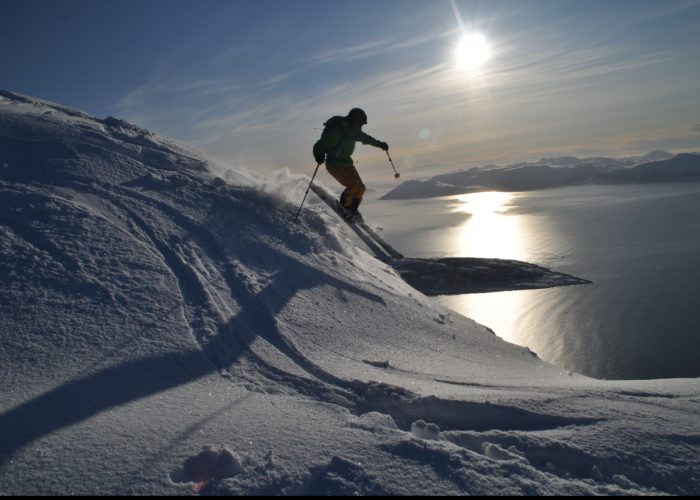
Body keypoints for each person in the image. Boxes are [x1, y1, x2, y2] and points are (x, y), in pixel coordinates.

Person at [313, 108, 389, 222]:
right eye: (359, 124)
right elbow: (320, 145)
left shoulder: (354, 131)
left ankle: (353, 209)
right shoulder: (338, 131)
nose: (360, 127)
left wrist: (380, 144)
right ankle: (346, 207)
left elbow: (367, 139)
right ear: (354, 121)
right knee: (353, 185)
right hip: (334, 164)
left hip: (346, 163)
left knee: (361, 188)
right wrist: (318, 155)